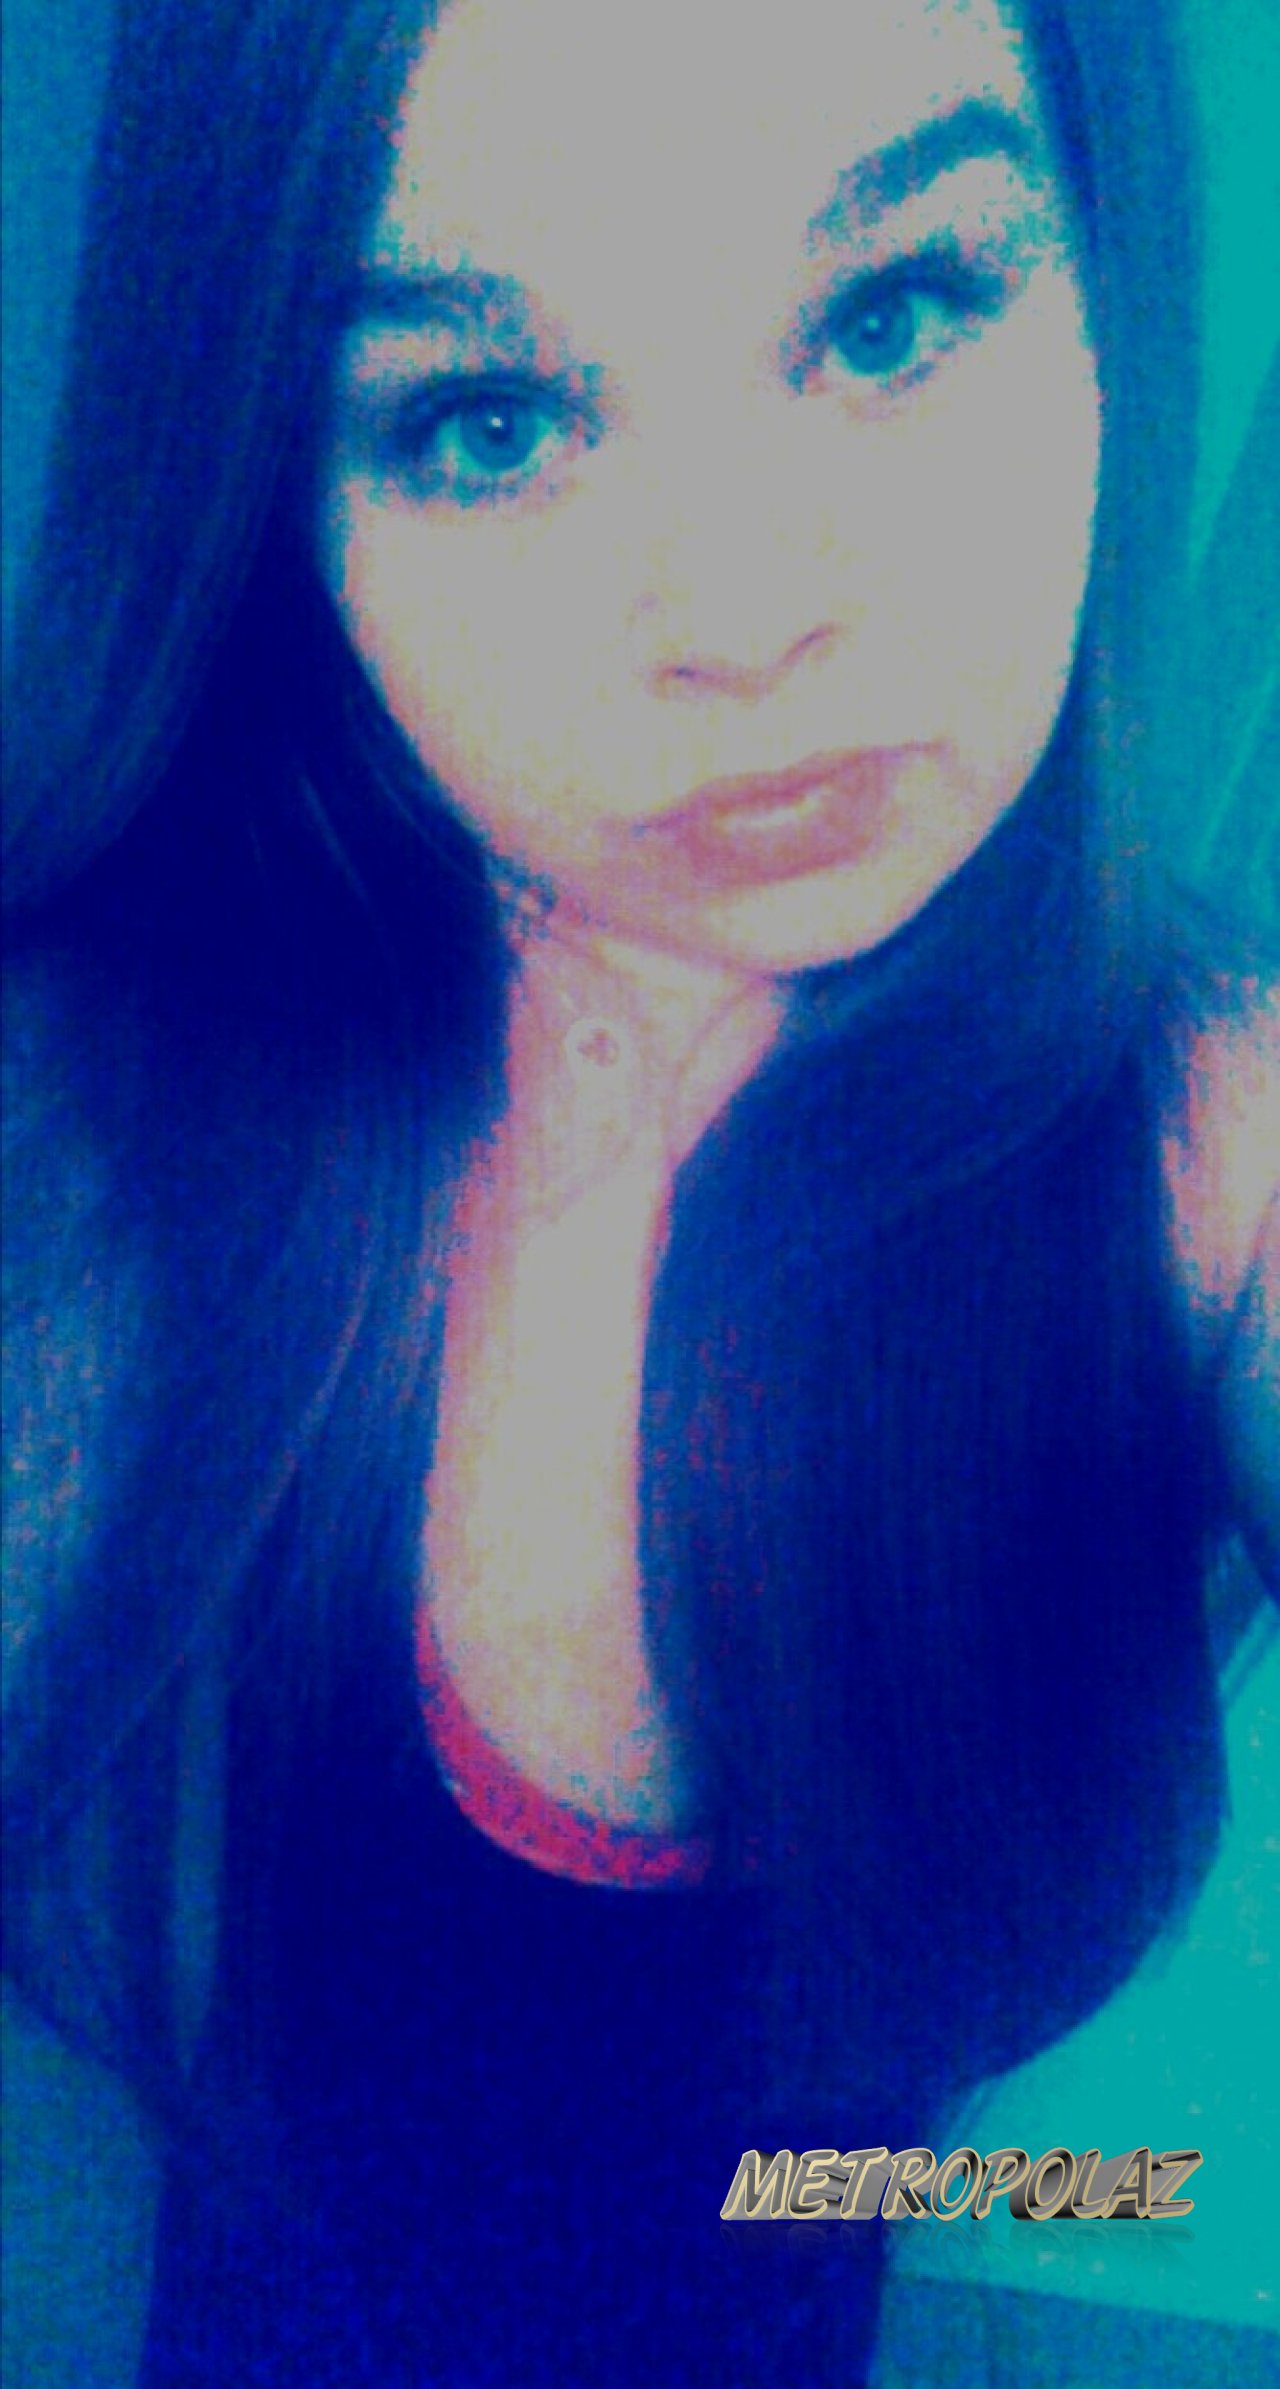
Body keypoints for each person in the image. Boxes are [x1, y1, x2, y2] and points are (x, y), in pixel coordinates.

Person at [3, 0, 1276, 2382]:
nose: (743, 614)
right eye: (485, 420)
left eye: (897, 309)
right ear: (276, 500)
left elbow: (860, 2168)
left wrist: (1057, 2201)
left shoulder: (1218, 1151)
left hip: (809, 2255)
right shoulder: (119, 1104)